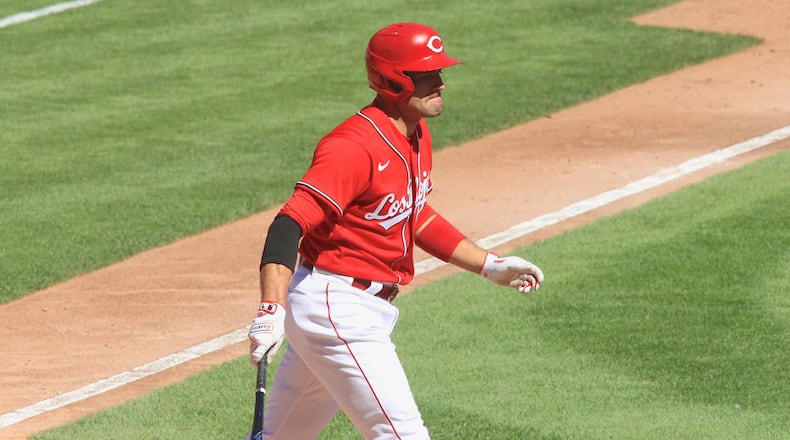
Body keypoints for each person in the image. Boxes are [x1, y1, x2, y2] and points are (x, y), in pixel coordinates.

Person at [247, 22, 545, 440]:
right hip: (337, 308)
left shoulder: (415, 132)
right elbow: (288, 224)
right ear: (391, 80)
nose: (440, 83)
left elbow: (413, 215)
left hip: (352, 307)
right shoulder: (353, 147)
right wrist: (270, 308)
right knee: (402, 435)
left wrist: (488, 265)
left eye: (439, 73)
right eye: (426, 75)